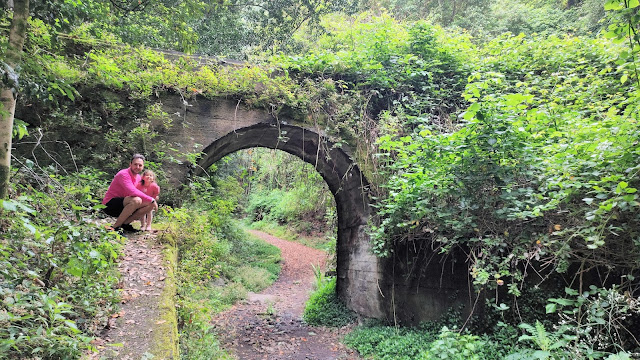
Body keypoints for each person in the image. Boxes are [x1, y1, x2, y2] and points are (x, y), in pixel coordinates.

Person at [102, 154, 156, 233]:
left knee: (150, 204)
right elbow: (132, 191)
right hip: (110, 204)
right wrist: (151, 199)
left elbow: (143, 191)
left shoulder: (138, 177)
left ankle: (125, 224)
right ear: (130, 164)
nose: (137, 167)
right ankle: (116, 227)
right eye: (135, 164)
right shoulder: (123, 174)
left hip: (125, 205)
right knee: (137, 200)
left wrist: (153, 198)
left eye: (140, 165)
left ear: (143, 166)